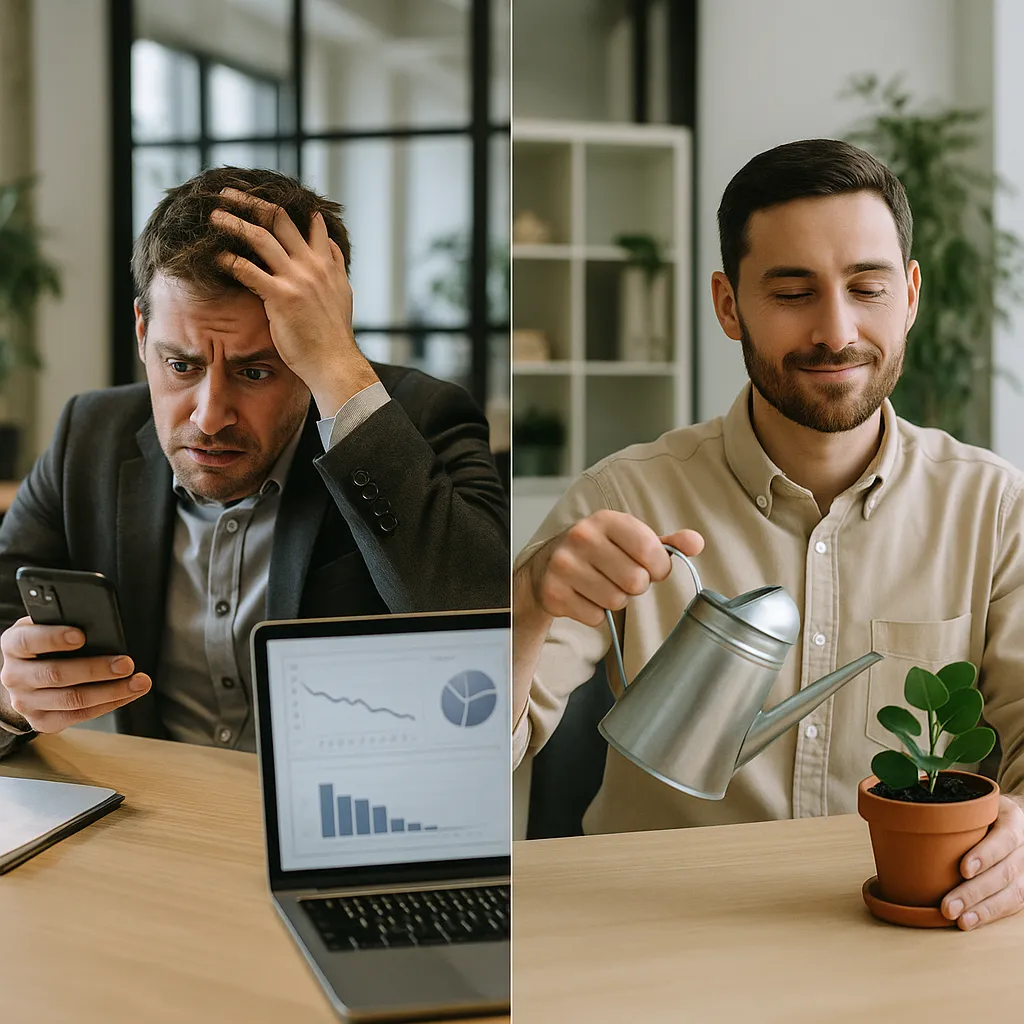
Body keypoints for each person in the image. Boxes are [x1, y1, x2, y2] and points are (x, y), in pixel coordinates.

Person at [512, 139, 1024, 932]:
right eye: (793, 293)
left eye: (867, 288)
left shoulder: (994, 508)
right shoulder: (625, 497)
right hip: (655, 936)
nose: (836, 330)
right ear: (728, 305)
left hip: (904, 937)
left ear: (911, 296)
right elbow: (469, 755)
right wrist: (527, 603)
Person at [0, 166, 508, 756]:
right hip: (157, 815)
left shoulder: (423, 420)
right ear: (143, 332)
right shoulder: (89, 434)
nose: (210, 416)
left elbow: (481, 625)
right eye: (181, 365)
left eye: (255, 371)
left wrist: (338, 369)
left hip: (338, 819)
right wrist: (10, 696)